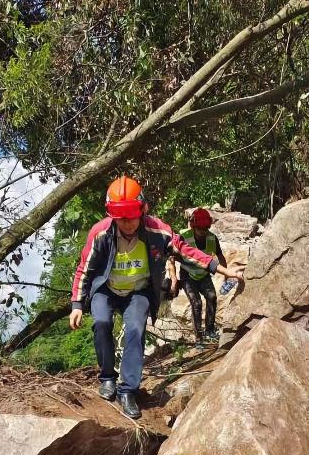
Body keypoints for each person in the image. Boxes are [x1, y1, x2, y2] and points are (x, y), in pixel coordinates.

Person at [70, 177, 243, 419]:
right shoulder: (101, 233)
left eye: (132, 216)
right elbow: (84, 269)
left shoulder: (157, 230)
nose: (128, 223)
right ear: (112, 215)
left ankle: (128, 390)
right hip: (106, 289)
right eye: (121, 218)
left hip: (139, 291)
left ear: (143, 209)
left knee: (135, 329)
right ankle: (107, 377)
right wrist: (77, 304)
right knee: (101, 323)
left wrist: (224, 270)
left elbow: (187, 251)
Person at [179, 208, 229, 342]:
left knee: (212, 297)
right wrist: (173, 280)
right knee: (197, 303)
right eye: (200, 229)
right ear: (193, 226)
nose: (203, 232)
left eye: (205, 228)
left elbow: (220, 256)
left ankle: (210, 330)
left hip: (204, 274)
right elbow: (172, 257)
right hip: (187, 276)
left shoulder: (212, 238)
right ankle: (199, 337)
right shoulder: (184, 237)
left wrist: (226, 276)